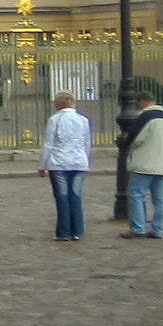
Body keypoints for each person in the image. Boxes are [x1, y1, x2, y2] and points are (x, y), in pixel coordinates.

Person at [36, 93, 92, 241]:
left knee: (62, 197)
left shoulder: (55, 119)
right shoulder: (83, 120)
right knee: (75, 196)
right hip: (79, 162)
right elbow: (87, 143)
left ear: (58, 104)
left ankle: (64, 231)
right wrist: (85, 159)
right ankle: (77, 230)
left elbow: (49, 143)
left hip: (59, 162)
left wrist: (42, 164)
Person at [121, 92, 163, 239]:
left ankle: (138, 228)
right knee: (159, 199)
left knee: (136, 194)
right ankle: (158, 229)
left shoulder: (146, 118)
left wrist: (127, 145)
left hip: (145, 162)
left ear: (142, 102)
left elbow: (136, 138)